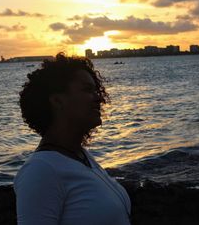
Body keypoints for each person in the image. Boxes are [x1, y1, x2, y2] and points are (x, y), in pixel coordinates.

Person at [14, 53, 131, 225]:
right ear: (57, 101)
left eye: (95, 90)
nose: (99, 98)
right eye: (87, 90)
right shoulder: (41, 170)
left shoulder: (82, 157)